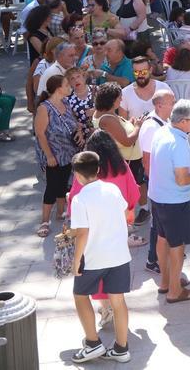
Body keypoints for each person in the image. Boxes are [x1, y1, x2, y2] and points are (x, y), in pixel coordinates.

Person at [68, 151, 133, 364]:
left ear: (77, 175)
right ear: (98, 170)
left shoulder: (80, 199)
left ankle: (93, 343)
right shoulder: (113, 189)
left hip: (93, 258)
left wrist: (76, 260)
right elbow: (125, 214)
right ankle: (121, 348)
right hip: (119, 255)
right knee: (118, 301)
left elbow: (82, 233)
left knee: (80, 296)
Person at [148, 101, 190, 303]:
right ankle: (175, 291)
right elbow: (182, 179)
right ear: (183, 121)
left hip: (158, 196)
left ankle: (166, 282)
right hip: (174, 201)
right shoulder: (179, 142)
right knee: (177, 245)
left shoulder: (162, 131)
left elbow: (168, 164)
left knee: (162, 239)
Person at [34, 75, 83, 237]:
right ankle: (44, 221)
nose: (70, 87)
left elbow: (74, 122)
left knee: (63, 182)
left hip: (68, 151)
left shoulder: (66, 103)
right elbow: (40, 133)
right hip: (53, 153)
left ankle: (61, 212)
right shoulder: (44, 108)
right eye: (67, 84)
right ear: (58, 88)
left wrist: (79, 131)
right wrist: (49, 156)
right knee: (52, 186)